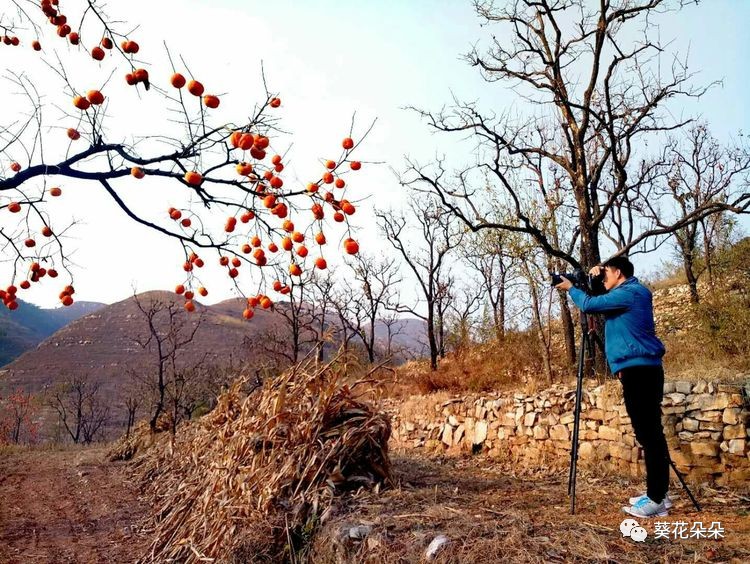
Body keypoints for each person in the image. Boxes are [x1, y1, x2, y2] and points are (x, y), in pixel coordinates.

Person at [555, 256, 671, 518]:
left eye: (606, 273)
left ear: (618, 272)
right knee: (649, 433)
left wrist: (571, 288)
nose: (603, 277)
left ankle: (656, 500)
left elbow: (588, 304)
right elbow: (598, 300)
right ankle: (660, 493)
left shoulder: (631, 293)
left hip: (641, 371)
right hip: (636, 370)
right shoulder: (625, 296)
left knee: (649, 434)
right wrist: (592, 279)